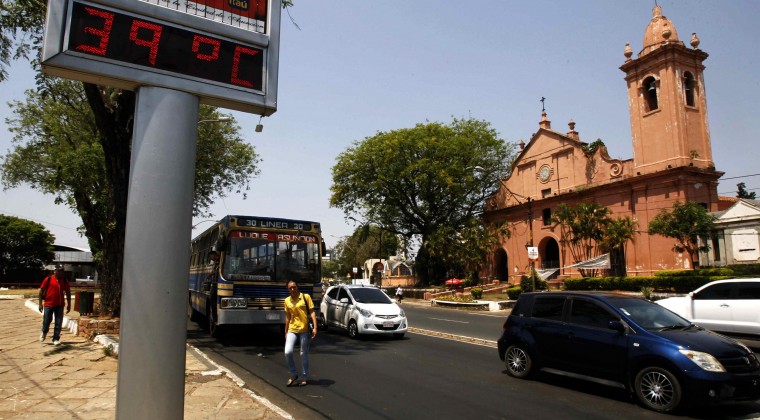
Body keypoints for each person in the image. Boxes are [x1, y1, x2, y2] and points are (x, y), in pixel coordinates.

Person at [283, 280, 317, 387]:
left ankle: (304, 377)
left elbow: (312, 312)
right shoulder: (287, 300)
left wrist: (315, 327)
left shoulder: (305, 297)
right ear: (288, 289)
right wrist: (286, 330)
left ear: (297, 287)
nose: (292, 289)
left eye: (294, 287)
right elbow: (288, 316)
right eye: (290, 288)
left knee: (303, 354)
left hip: (304, 330)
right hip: (292, 329)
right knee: (288, 351)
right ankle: (294, 374)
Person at [38, 264, 71, 346]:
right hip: (48, 304)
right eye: (59, 271)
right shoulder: (48, 279)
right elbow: (41, 291)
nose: (61, 273)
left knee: (58, 323)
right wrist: (40, 304)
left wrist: (69, 304)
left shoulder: (64, 280)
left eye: (62, 271)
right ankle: (44, 331)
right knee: (46, 321)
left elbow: (68, 292)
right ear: (55, 271)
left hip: (59, 305)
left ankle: (56, 338)